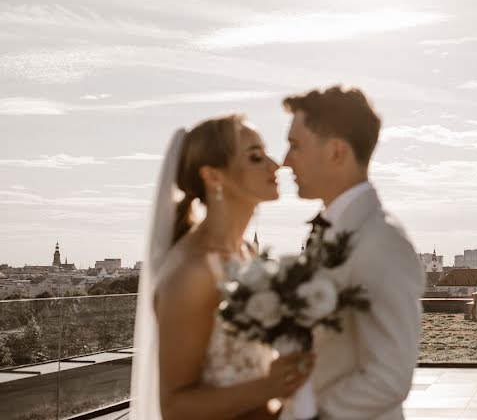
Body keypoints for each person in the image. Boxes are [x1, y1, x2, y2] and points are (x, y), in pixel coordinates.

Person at [130, 115, 313, 420]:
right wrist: (271, 386)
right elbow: (174, 407)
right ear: (214, 177)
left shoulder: (247, 253)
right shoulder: (193, 271)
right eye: (256, 157)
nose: (275, 164)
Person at [282, 87, 424, 420]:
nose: (285, 160)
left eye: (295, 146)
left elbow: (390, 377)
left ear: (336, 152)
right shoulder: (332, 229)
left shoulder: (383, 241)